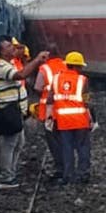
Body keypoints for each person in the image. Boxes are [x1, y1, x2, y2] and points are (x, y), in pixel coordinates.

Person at [0, 39, 49, 190]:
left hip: (15, 111)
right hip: (8, 111)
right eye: (9, 46)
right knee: (9, 144)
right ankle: (6, 177)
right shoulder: (2, 66)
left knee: (18, 142)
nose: (13, 48)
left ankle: (11, 171)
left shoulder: (8, 64)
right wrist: (37, 60)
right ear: (2, 52)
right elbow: (21, 75)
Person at [51, 51, 94, 183]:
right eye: (80, 67)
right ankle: (83, 174)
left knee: (66, 147)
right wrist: (92, 117)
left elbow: (51, 98)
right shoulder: (83, 80)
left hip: (63, 121)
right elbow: (87, 101)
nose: (81, 69)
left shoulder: (56, 79)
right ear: (76, 66)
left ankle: (68, 175)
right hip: (80, 120)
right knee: (83, 147)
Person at [32, 48, 68, 177]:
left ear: (48, 56)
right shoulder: (66, 65)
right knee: (65, 139)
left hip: (49, 111)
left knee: (53, 140)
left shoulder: (44, 69)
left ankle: (60, 168)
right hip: (66, 109)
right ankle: (69, 166)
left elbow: (37, 88)